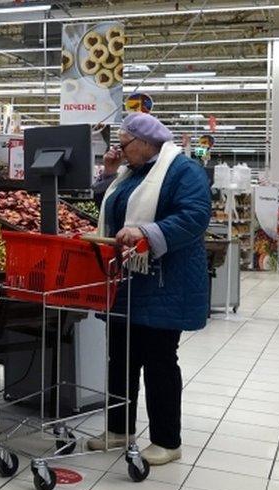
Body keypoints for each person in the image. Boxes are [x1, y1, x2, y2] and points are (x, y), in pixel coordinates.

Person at [87, 113, 211, 466]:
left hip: (165, 281)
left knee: (159, 361)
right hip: (126, 280)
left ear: (145, 143)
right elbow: (113, 211)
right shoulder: (133, 172)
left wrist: (147, 233)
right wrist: (109, 174)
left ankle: (167, 441)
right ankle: (118, 429)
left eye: (124, 146)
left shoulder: (182, 171)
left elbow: (194, 216)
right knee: (121, 358)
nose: (121, 152)